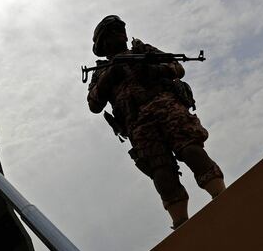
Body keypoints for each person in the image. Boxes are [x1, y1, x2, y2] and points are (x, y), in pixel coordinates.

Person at [87, 15, 225, 229]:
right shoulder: (100, 72)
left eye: (121, 29)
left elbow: (177, 67)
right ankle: (181, 223)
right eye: (114, 32)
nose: (121, 34)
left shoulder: (143, 51)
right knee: (162, 174)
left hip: (166, 108)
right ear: (104, 43)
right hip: (138, 125)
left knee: (191, 150)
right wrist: (110, 75)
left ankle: (222, 196)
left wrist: (154, 69)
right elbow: (94, 104)